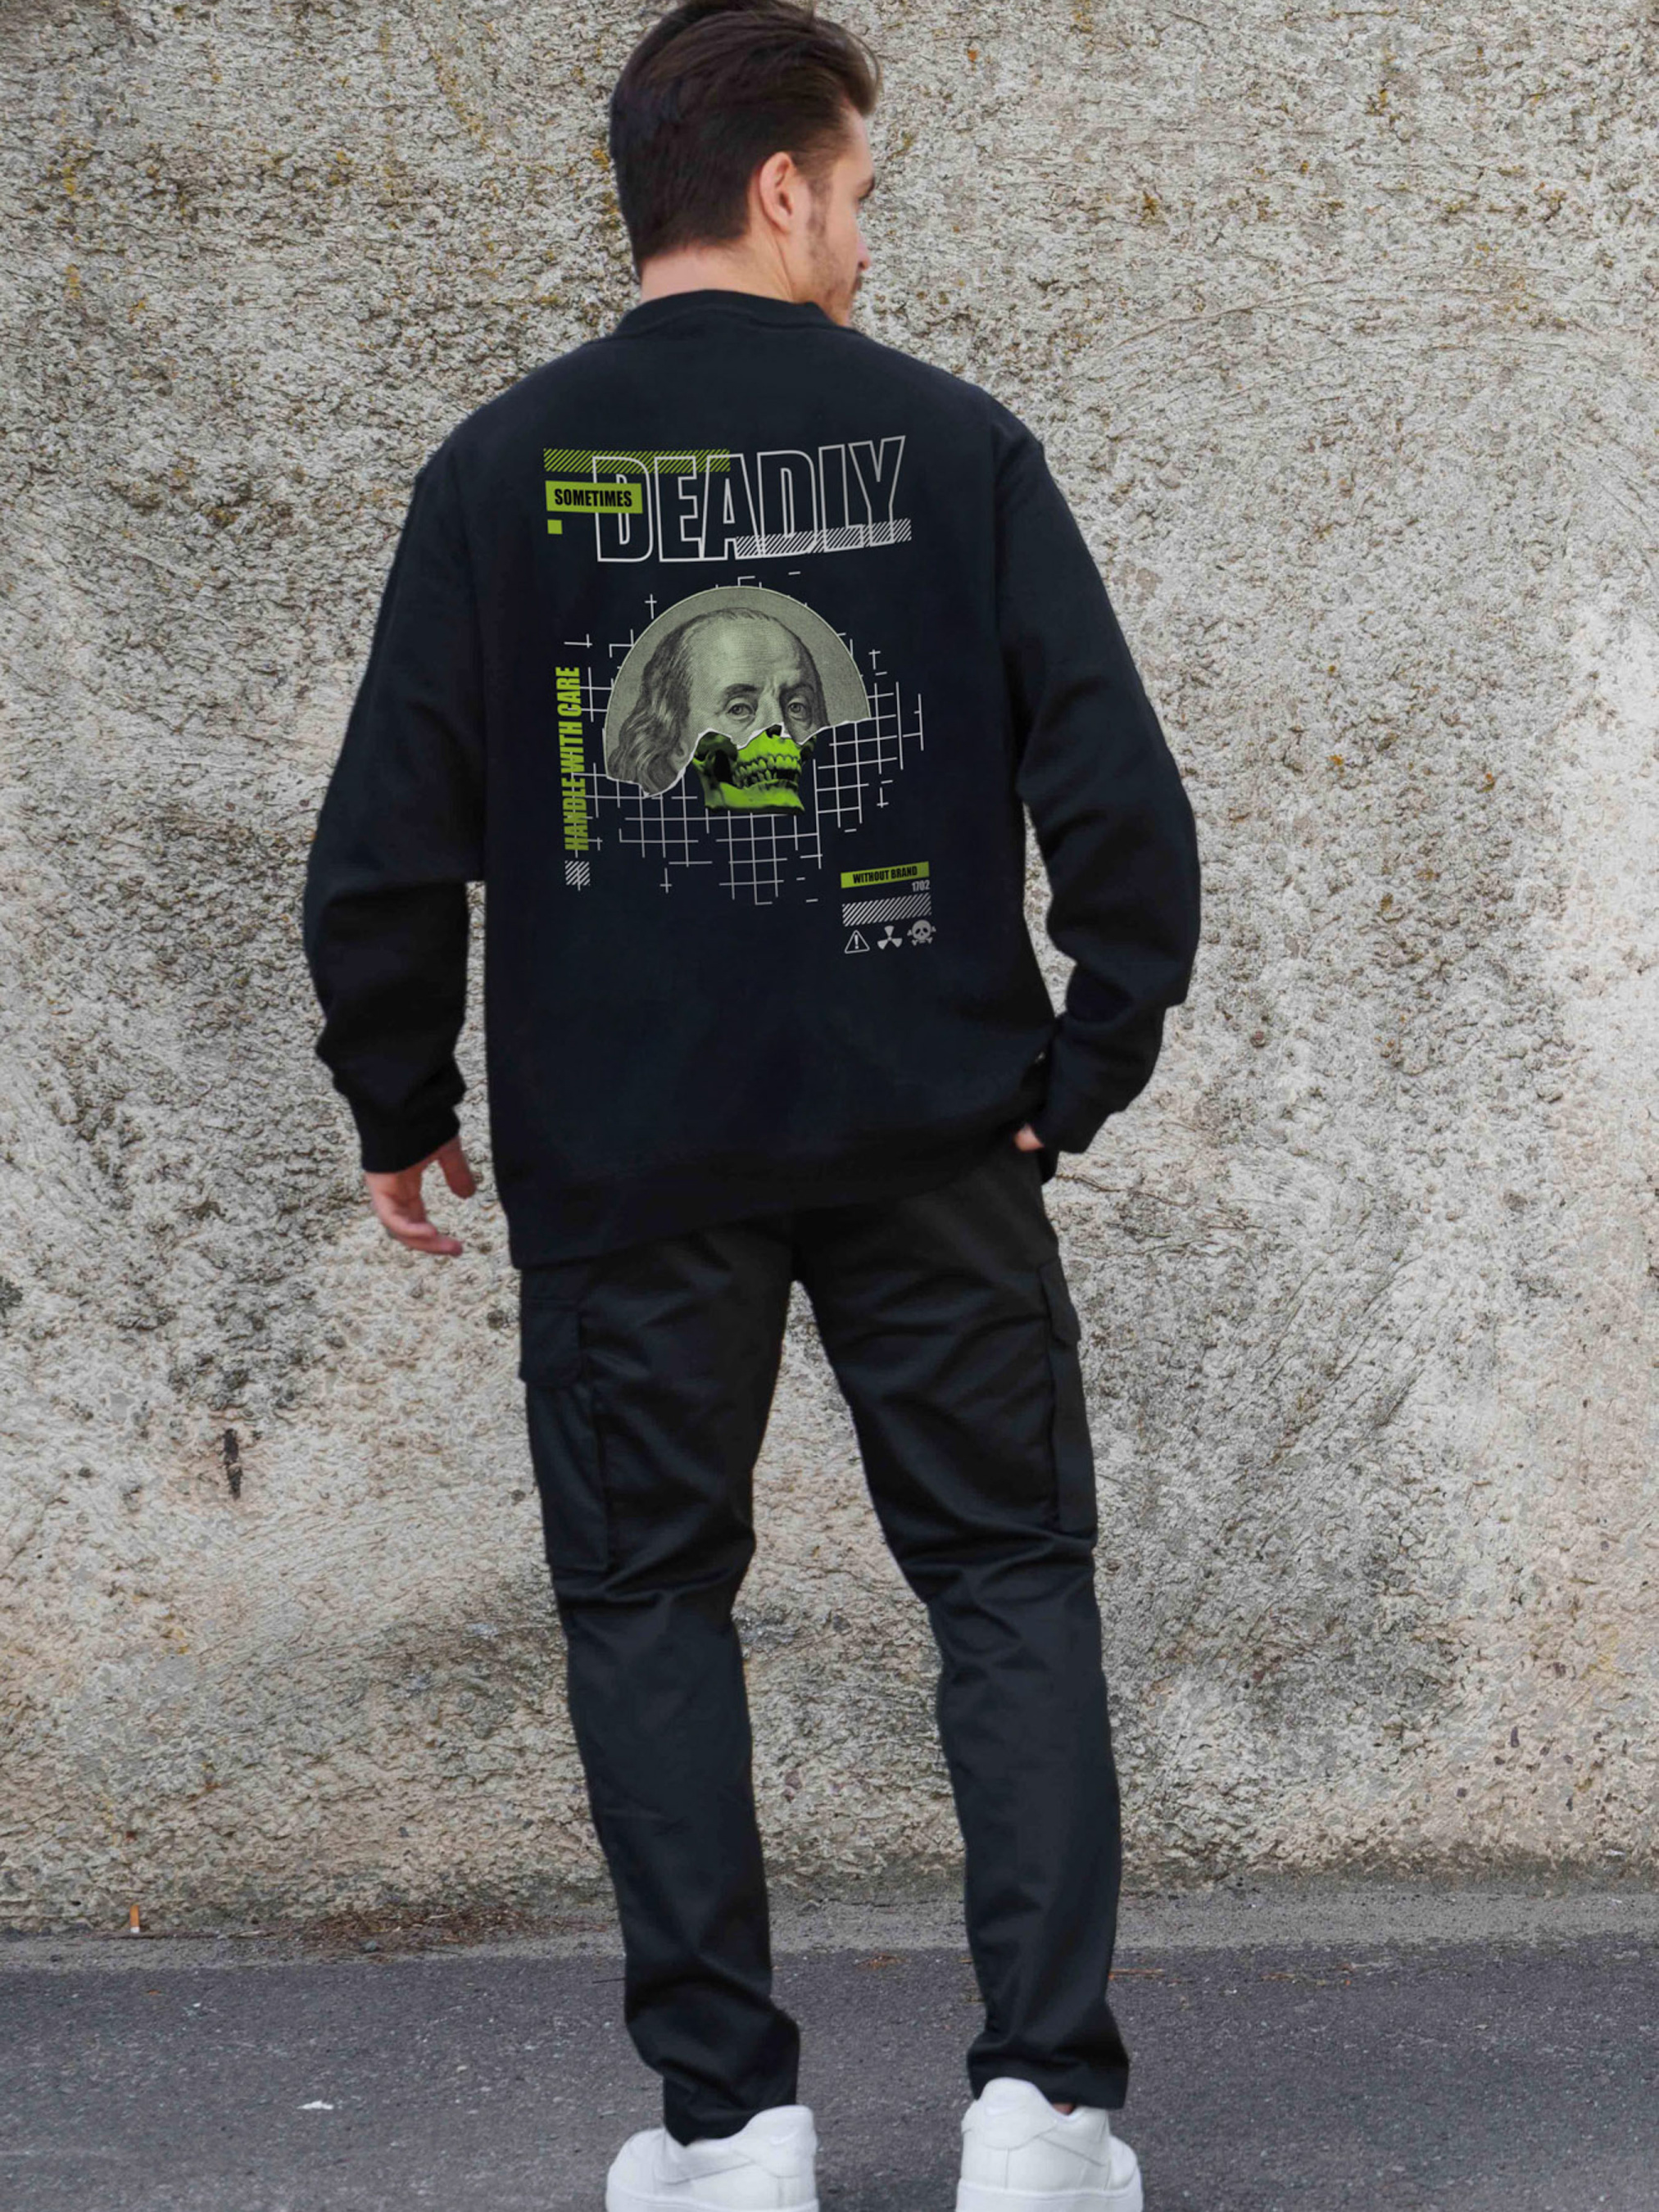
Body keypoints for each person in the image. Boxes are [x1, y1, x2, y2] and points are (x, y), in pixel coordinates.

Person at [300, 2, 1202, 2205]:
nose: (866, 243)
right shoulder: (953, 447)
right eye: (860, 196)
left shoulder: (500, 471)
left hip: (627, 1153)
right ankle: (1041, 2114)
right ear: (783, 189)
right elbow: (1121, 798)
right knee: (1006, 1576)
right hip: (935, 1129)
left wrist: (398, 1095)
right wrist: (1081, 1064)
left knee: (646, 1604)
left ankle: (731, 2134)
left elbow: (386, 842)